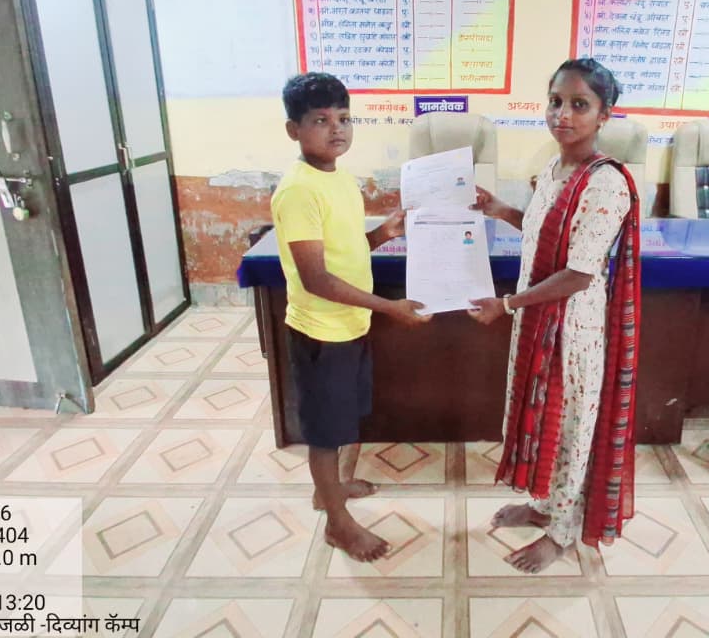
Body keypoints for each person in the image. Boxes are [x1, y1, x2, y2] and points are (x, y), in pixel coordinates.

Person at [467, 58, 642, 574]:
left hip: (573, 332)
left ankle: (562, 533)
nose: (562, 114)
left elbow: (579, 274)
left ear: (604, 115)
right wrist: (500, 209)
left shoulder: (605, 183)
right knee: (543, 419)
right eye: (556, 102)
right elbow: (545, 233)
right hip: (539, 321)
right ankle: (543, 505)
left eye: (579, 105)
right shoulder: (554, 169)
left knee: (569, 431)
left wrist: (507, 305)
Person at [270, 72, 431, 562]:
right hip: (321, 332)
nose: (336, 129)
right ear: (294, 130)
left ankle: (332, 490)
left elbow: (344, 252)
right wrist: (390, 307)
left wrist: (383, 234)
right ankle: (337, 523)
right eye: (320, 120)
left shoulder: (339, 179)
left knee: (341, 419)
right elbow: (316, 279)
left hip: (349, 325)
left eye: (344, 118)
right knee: (324, 434)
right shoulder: (298, 191)